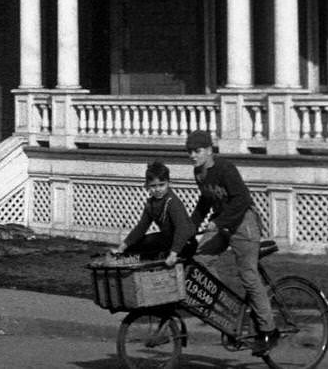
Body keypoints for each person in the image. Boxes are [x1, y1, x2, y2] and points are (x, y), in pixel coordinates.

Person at [184, 129, 278, 354]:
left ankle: (269, 330)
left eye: (197, 151)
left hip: (243, 223)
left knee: (247, 274)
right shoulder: (199, 173)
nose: (192, 156)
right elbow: (204, 204)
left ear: (209, 150)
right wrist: (187, 229)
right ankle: (228, 310)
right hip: (223, 224)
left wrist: (219, 222)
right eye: (189, 152)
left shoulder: (225, 169)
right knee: (200, 260)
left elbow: (242, 200)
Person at [113, 161, 194, 266]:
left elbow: (182, 229)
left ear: (168, 183)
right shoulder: (151, 203)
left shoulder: (172, 202)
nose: (158, 189)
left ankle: (151, 260)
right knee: (135, 246)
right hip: (168, 239)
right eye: (153, 186)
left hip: (184, 243)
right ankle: (122, 260)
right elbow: (141, 227)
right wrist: (122, 247)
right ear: (147, 186)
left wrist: (173, 254)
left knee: (155, 254)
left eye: (161, 185)